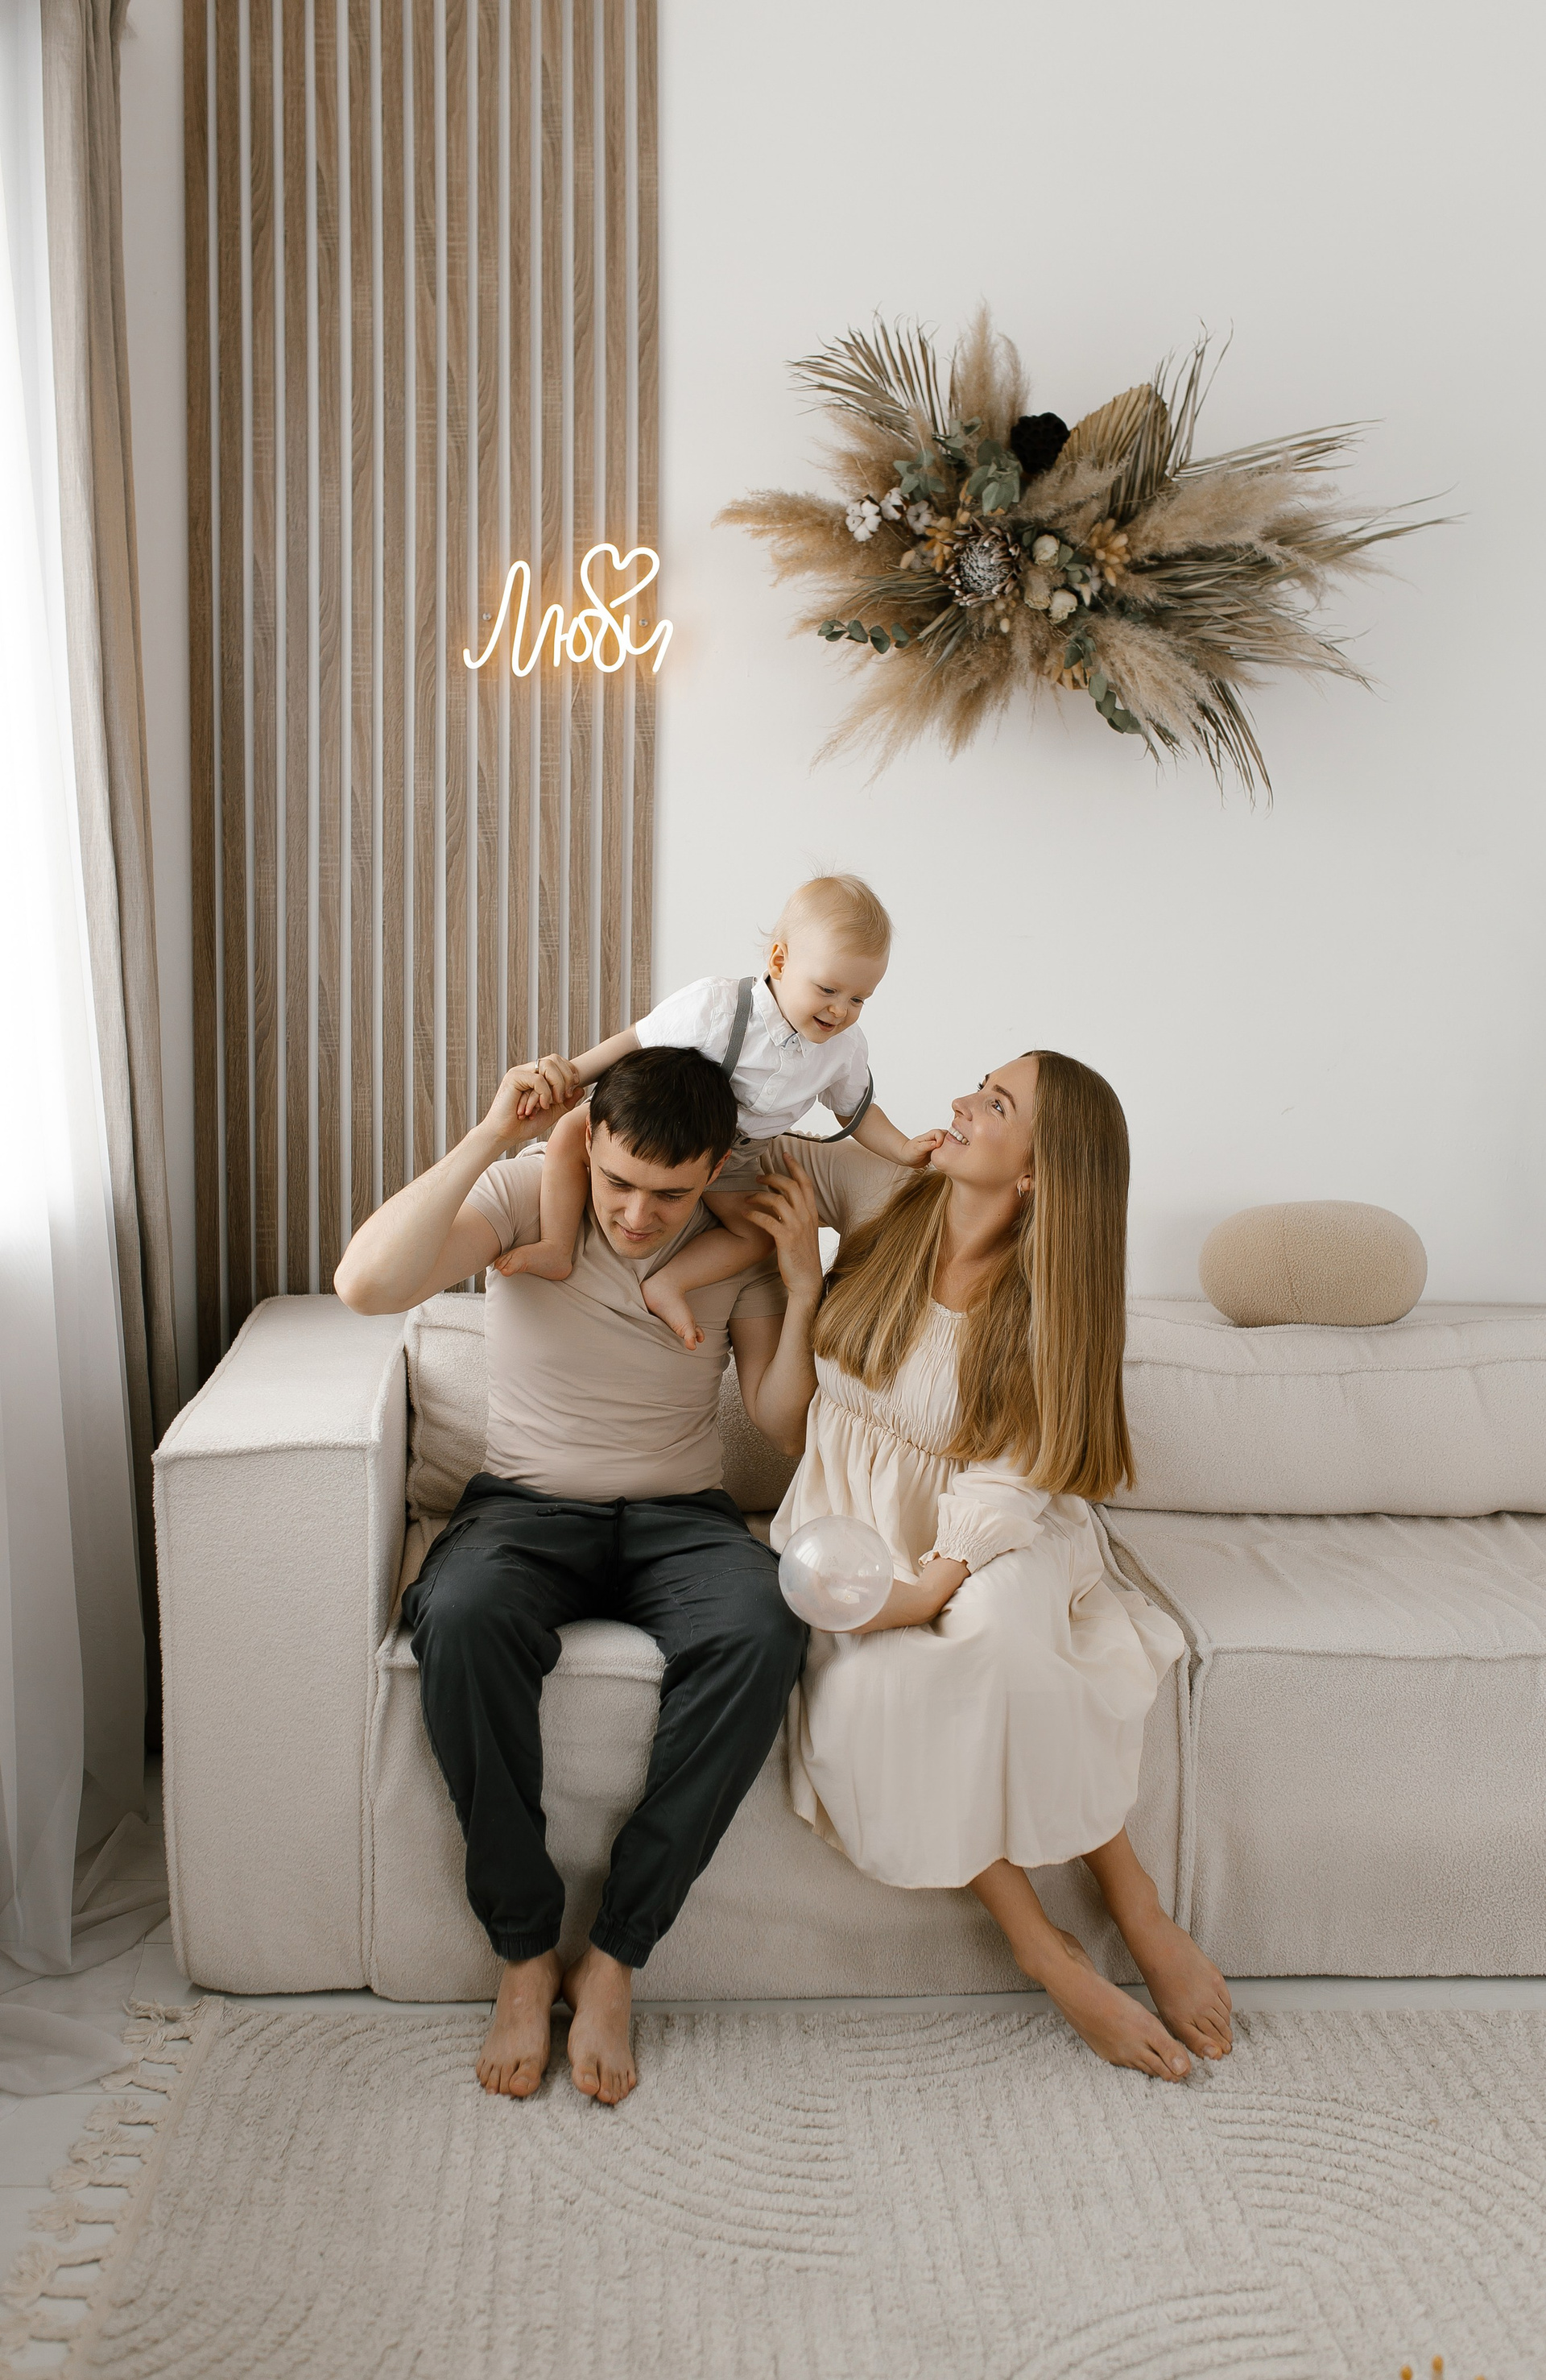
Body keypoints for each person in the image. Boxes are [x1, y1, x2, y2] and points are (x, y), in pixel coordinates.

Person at [333, 1045, 821, 2106]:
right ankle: (524, 1949)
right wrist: (488, 1137)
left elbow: (783, 1427)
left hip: (680, 1520)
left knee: (765, 1623)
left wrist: (801, 1283)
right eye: (618, 1182)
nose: (638, 1215)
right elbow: (364, 1285)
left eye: (669, 1194)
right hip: (524, 1508)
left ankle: (615, 1953)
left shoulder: (732, 1234)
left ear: (715, 1167)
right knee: (461, 1614)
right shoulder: (524, 1194)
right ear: (587, 1142)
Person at [746, 1052, 1234, 2080]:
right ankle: (1046, 1951)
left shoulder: (1048, 1299)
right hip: (849, 1525)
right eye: (980, 1085)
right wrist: (799, 1280)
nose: (962, 1104)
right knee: (890, 1686)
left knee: (1002, 1642)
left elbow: (1014, 1477)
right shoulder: (885, 1200)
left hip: (995, 1520)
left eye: (996, 1104)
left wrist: (938, 1578)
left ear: (1037, 1173)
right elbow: (737, 1157)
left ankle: (1136, 1904)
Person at [493, 875, 941, 1349]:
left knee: (758, 1235)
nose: (840, 1011)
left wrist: (902, 1148)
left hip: (735, 1157)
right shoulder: (717, 1007)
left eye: (858, 999)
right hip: (661, 1128)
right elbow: (632, 1042)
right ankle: (556, 1245)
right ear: (780, 961)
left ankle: (670, 1283)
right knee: (569, 1130)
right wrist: (570, 1075)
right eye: (828, 989)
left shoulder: (843, 1049)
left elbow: (857, 1112)